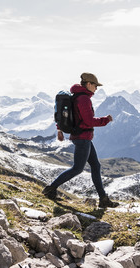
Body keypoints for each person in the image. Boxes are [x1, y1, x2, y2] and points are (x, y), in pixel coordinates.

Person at [43, 72, 119, 208]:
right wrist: (106, 120)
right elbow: (88, 121)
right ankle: (50, 188)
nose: (96, 89)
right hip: (83, 138)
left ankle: (103, 199)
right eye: (95, 86)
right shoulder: (83, 99)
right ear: (89, 84)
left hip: (83, 138)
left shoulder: (76, 96)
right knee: (77, 168)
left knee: (96, 166)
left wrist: (59, 129)